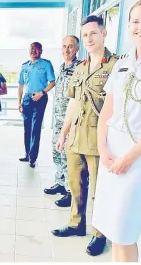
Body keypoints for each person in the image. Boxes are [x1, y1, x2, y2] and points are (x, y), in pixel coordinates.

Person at [92, 0, 141, 262]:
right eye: (135, 21)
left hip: (139, 157)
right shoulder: (122, 62)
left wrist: (129, 158)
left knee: (125, 233)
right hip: (112, 154)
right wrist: (103, 149)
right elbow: (106, 112)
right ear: (128, 25)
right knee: (113, 231)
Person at [52, 15, 118, 257]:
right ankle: (75, 224)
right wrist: (63, 133)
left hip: (99, 140)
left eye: (93, 33)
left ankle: (99, 234)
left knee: (99, 190)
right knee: (75, 185)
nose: (89, 38)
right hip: (76, 137)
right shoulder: (79, 68)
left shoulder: (115, 66)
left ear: (103, 34)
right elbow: (73, 104)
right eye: (86, 34)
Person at [44, 35, 82, 208]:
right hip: (57, 120)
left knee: (67, 157)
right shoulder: (62, 67)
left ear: (77, 49)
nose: (67, 50)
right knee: (56, 153)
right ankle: (60, 182)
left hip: (69, 122)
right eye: (64, 46)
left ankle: (69, 191)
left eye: (71, 47)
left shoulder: (79, 68)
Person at [17, 42, 56, 167]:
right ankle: (27, 154)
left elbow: (52, 82)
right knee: (27, 127)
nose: (34, 51)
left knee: (36, 128)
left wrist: (42, 92)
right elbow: (21, 86)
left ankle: (33, 158)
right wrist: (19, 102)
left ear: (41, 51)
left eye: (37, 49)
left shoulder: (46, 64)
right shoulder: (24, 66)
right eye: (32, 48)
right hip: (27, 99)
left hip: (40, 98)